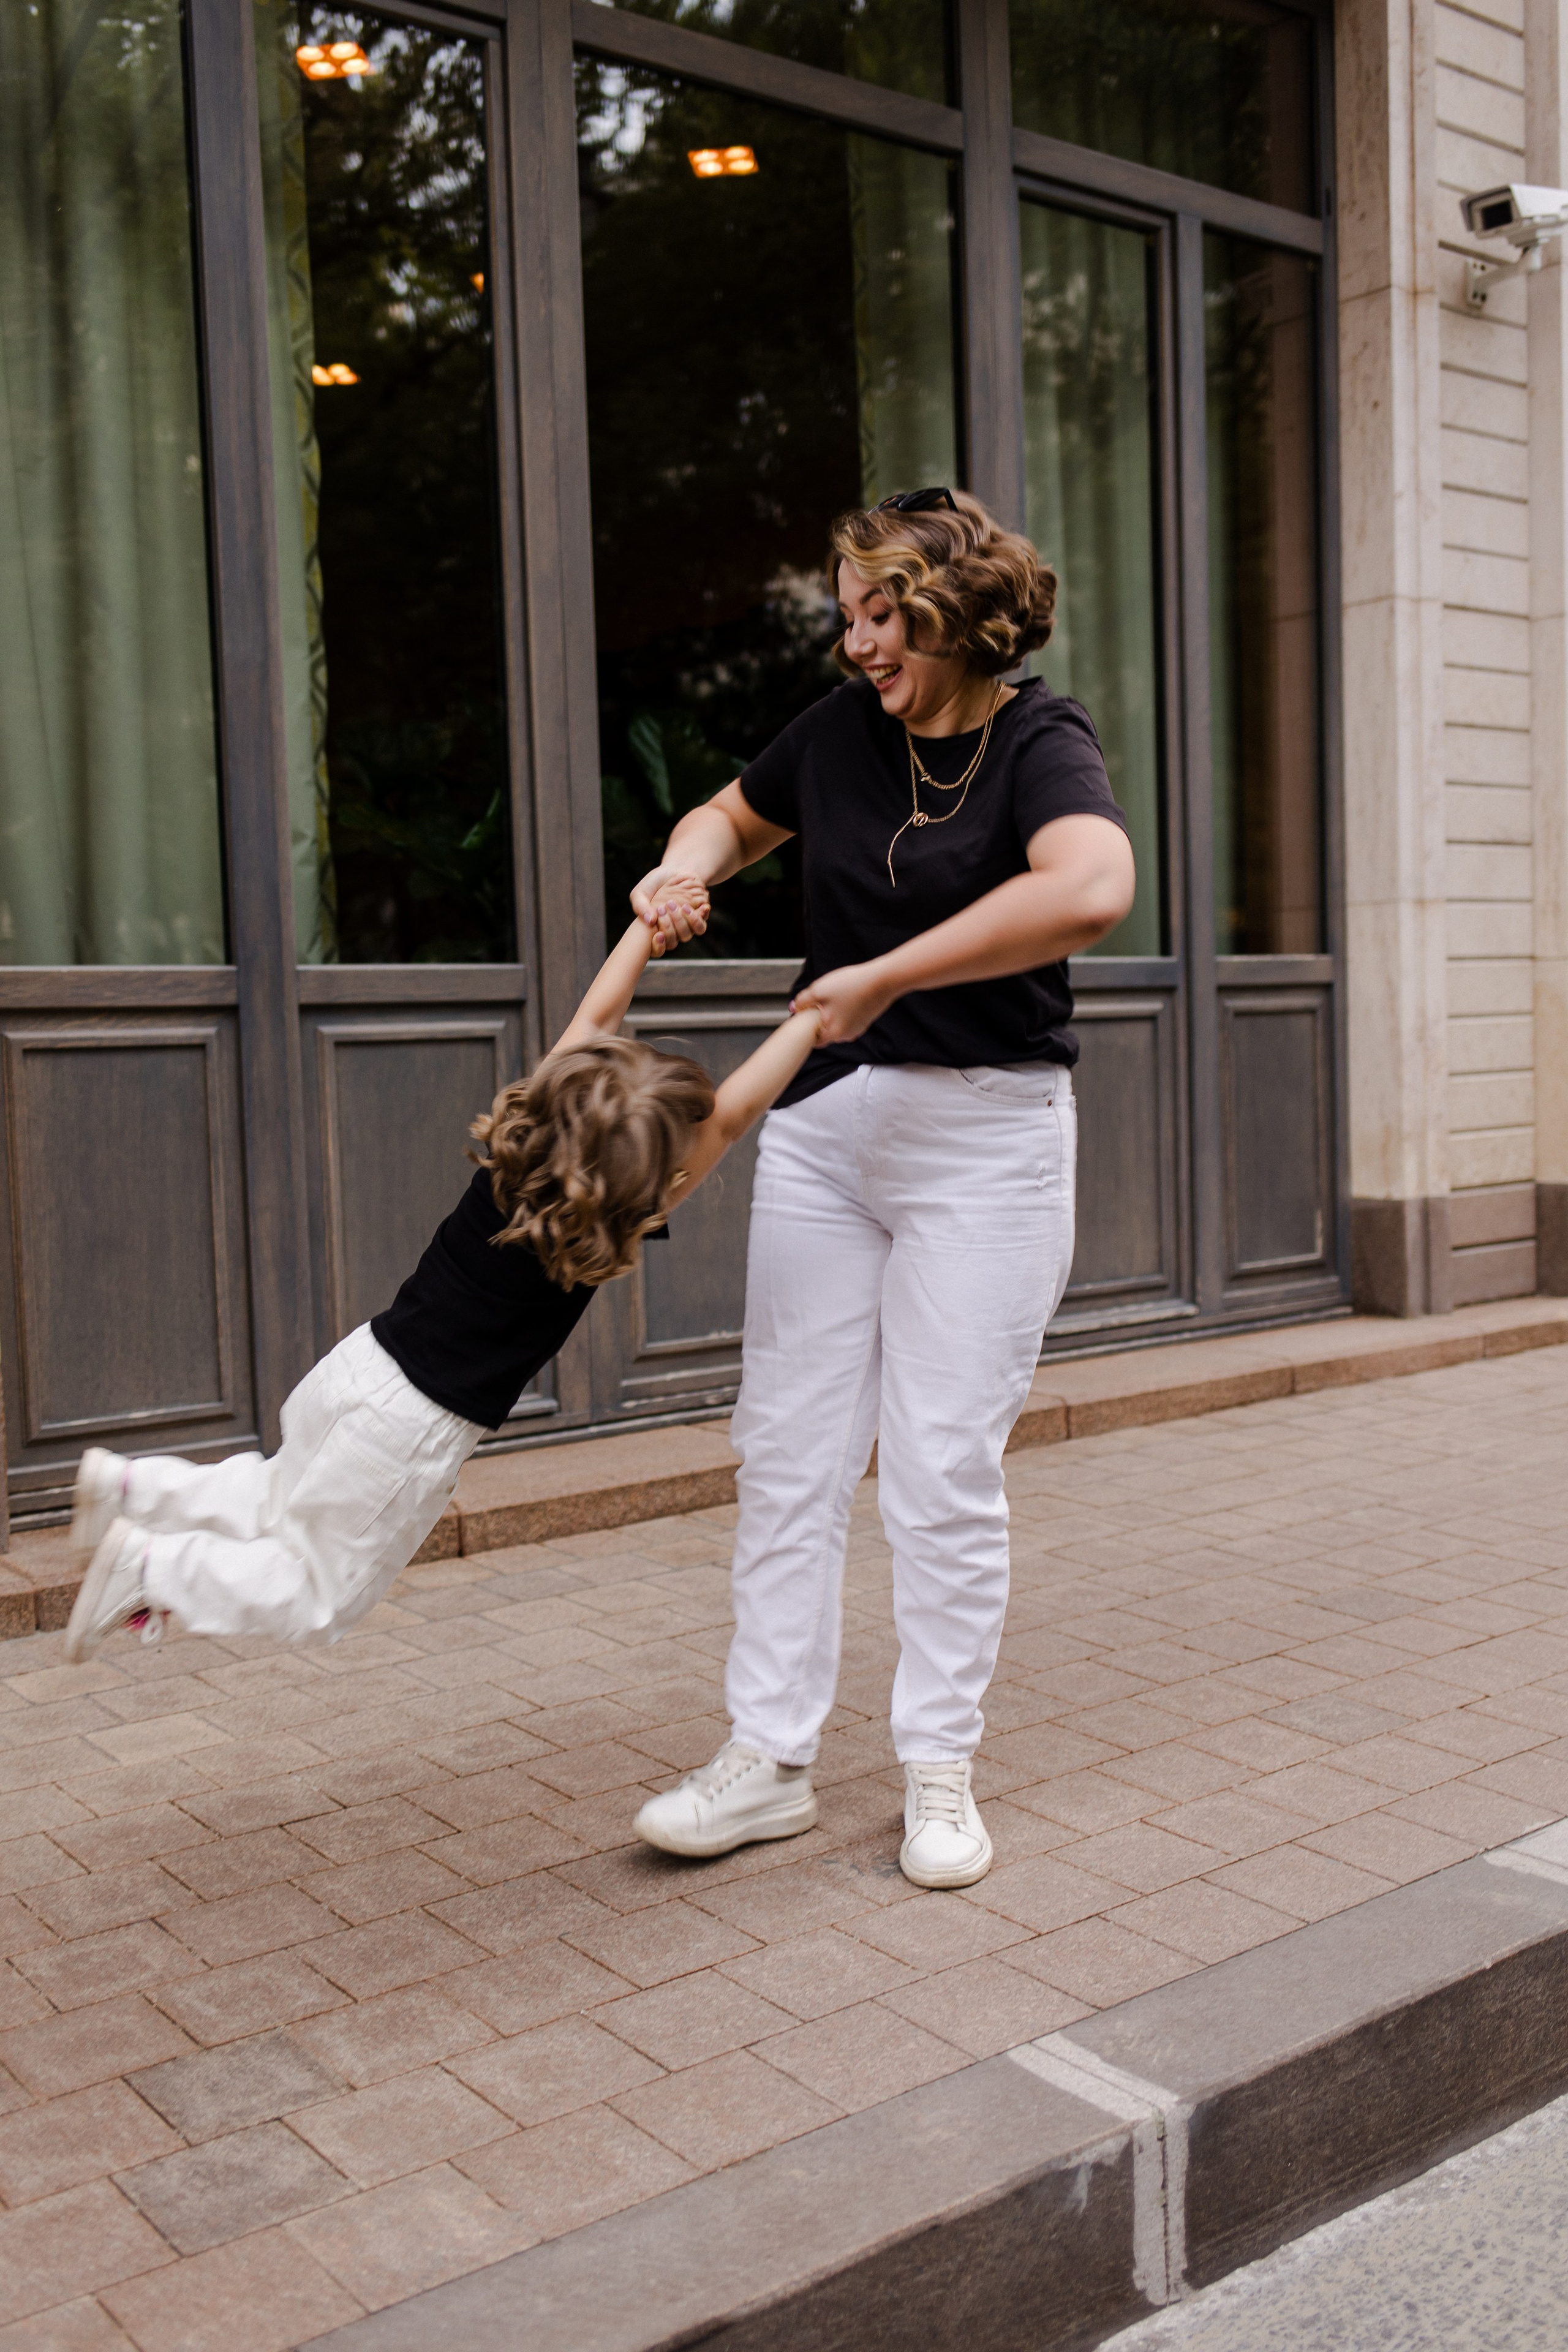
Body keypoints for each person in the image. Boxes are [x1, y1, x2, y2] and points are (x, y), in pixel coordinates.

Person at [630, 488, 1135, 1890]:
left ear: (954, 610)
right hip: (823, 1134)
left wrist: (891, 972)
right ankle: (766, 1757)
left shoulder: (1039, 736)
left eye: (879, 614)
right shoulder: (839, 736)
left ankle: (934, 1763)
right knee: (784, 1453)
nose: (855, 642)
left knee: (935, 1468)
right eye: (847, 614)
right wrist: (681, 871)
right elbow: (723, 818)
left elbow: (1092, 886)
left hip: (986, 1139)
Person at [62, 892, 823, 1662]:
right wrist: (816, 1021)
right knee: (317, 1594)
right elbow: (731, 1115)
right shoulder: (598, 1226)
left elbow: (596, 1021)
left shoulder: (519, 1145)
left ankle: (126, 1489)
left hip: (358, 1367)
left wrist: (644, 931)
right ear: (645, 1188)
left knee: (270, 1495)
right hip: (409, 1428)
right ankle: (150, 1568)